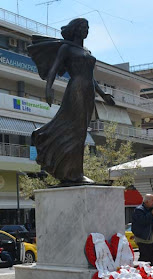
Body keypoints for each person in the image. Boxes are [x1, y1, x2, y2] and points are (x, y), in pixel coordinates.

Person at [28, 18, 115, 183]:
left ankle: (74, 172)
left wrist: (103, 95)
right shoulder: (66, 48)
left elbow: (91, 76)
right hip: (76, 88)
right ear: (75, 29)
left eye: (88, 27)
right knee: (75, 130)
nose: (86, 30)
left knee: (81, 131)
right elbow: (54, 69)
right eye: (83, 27)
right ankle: (73, 173)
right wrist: (48, 89)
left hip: (89, 90)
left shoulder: (86, 52)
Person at [131, 194, 153, 264]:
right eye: (152, 200)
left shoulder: (151, 210)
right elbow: (142, 221)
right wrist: (152, 214)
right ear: (146, 201)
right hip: (144, 239)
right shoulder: (139, 210)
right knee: (145, 258)